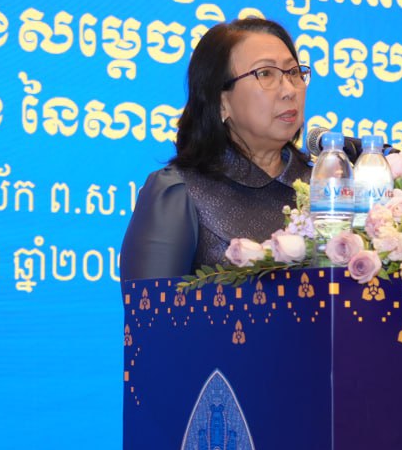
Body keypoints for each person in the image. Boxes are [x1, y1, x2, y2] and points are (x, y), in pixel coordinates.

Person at [120, 18, 311, 279]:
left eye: (294, 72)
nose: (289, 89)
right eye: (266, 73)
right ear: (221, 102)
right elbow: (152, 304)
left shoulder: (325, 188)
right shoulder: (181, 192)